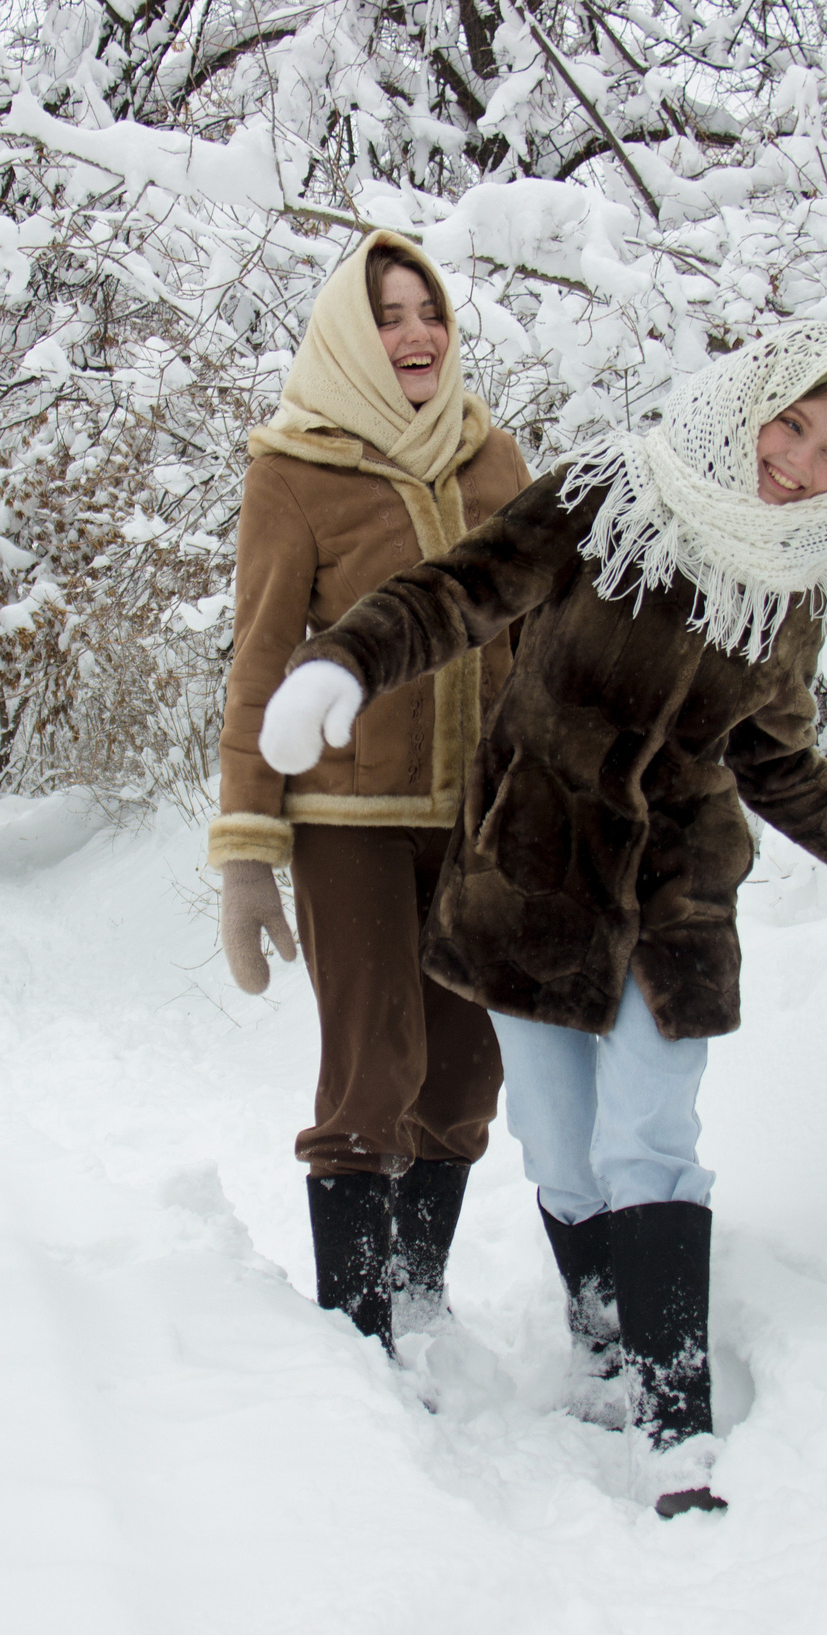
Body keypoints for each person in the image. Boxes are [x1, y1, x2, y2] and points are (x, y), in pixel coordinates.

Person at [256, 323, 827, 1515]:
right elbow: (460, 593)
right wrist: (345, 666)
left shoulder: (789, 590)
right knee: (560, 1153)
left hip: (673, 900)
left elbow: (779, 767)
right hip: (530, 882)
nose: (800, 466)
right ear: (748, 403)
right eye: (792, 425)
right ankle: (603, 1335)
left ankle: (680, 1426)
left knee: (649, 1145)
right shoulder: (612, 496)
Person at [207, 231, 534, 1350]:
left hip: (482, 817)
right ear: (353, 333)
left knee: (464, 1075)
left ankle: (418, 1290)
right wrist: (247, 852)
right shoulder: (293, 469)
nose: (416, 334)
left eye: (429, 311)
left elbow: (541, 636)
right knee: (373, 1065)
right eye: (389, 314)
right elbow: (259, 661)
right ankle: (356, 1328)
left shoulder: (492, 459)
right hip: (348, 820)